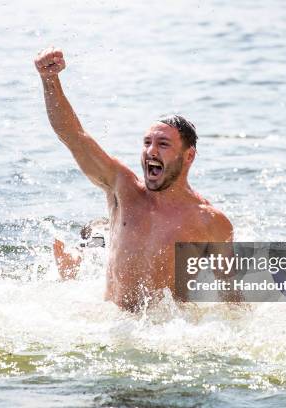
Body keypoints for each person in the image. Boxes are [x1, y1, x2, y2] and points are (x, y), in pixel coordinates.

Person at [35, 47, 237, 311]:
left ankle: (79, 260)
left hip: (162, 333)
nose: (151, 151)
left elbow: (235, 301)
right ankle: (77, 264)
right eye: (146, 143)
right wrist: (49, 79)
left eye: (163, 144)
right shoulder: (122, 187)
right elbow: (73, 136)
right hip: (112, 321)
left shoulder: (211, 222)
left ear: (188, 156)